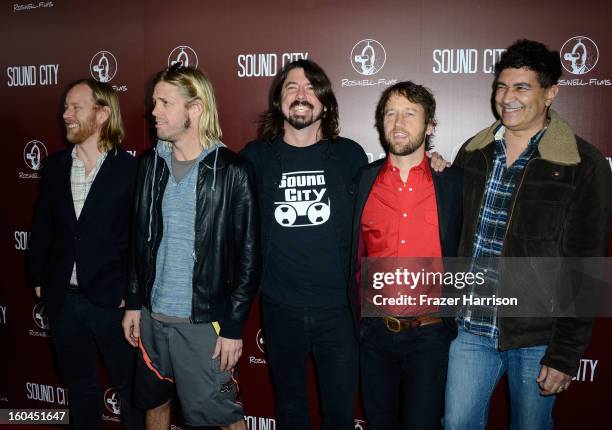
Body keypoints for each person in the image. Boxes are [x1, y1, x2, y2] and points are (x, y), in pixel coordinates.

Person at [443, 39, 611, 429]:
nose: (507, 98)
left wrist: (565, 354)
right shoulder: (475, 152)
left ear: (551, 93)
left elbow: (586, 268)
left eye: (522, 87)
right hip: (470, 329)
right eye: (501, 86)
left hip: (537, 336)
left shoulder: (582, 164)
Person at [122, 64, 259, 430]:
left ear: (195, 109)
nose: (154, 111)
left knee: (225, 418)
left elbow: (249, 258)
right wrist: (134, 303)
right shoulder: (150, 164)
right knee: (154, 405)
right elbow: (139, 240)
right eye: (154, 102)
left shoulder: (232, 170)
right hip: (152, 318)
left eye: (165, 102)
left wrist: (232, 327)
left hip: (203, 322)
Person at [241, 59, 368, 430]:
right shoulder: (255, 157)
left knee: (340, 414)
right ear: (279, 102)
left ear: (325, 103)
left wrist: (434, 161)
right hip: (281, 309)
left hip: (339, 311)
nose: (301, 95)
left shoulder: (350, 155)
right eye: (291, 88)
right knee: (291, 409)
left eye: (311, 88)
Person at [28, 79, 143, 430]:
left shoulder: (132, 170)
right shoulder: (55, 166)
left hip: (113, 302)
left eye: (75, 107)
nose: (66, 115)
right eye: (66, 107)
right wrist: (38, 277)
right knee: (80, 388)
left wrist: (133, 297)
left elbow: (141, 240)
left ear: (103, 113)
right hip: (64, 299)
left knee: (130, 391)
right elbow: (42, 225)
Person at [350, 81, 462, 430]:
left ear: (430, 126)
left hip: (430, 336)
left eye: (410, 114)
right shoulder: (363, 181)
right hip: (374, 335)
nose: (398, 123)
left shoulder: (453, 182)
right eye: (390, 114)